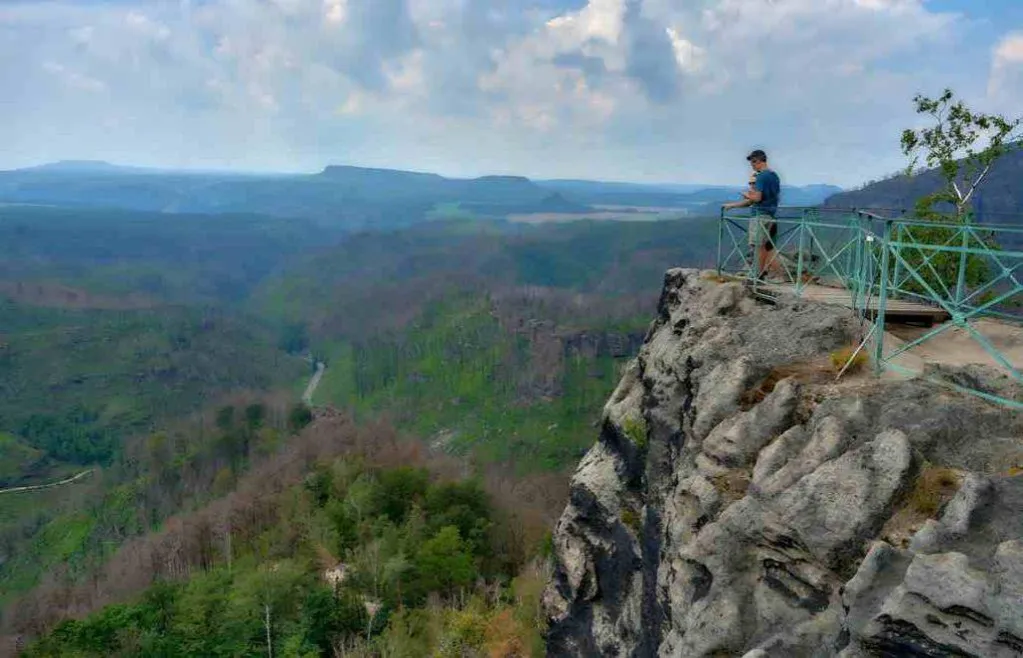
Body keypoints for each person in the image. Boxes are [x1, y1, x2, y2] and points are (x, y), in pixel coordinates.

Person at [723, 149, 782, 281]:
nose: (752, 166)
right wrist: (733, 205)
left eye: (753, 163)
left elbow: (757, 198)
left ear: (758, 161)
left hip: (759, 215)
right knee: (768, 247)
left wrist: (747, 194)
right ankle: (775, 275)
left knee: (757, 246)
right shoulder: (774, 176)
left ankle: (757, 275)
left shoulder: (761, 176)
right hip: (771, 215)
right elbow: (773, 196)